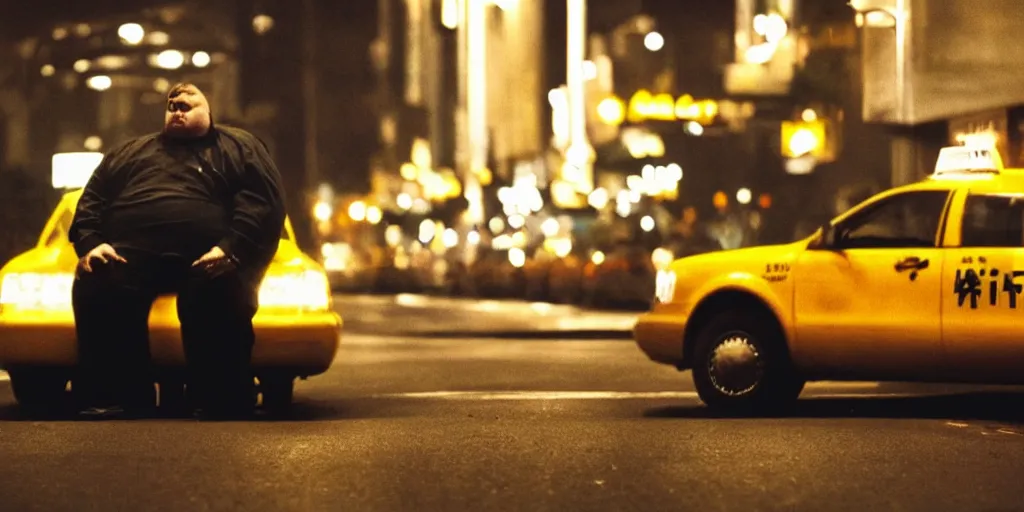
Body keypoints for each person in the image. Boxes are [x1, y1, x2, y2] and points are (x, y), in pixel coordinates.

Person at [68, 83, 286, 419]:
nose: (177, 109)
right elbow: (92, 200)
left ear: (209, 111)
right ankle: (116, 397)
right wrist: (91, 244)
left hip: (209, 255)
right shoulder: (129, 152)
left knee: (219, 286)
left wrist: (231, 249)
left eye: (187, 104)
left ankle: (219, 398)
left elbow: (261, 202)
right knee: (100, 279)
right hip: (130, 257)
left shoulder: (239, 146)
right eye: (173, 106)